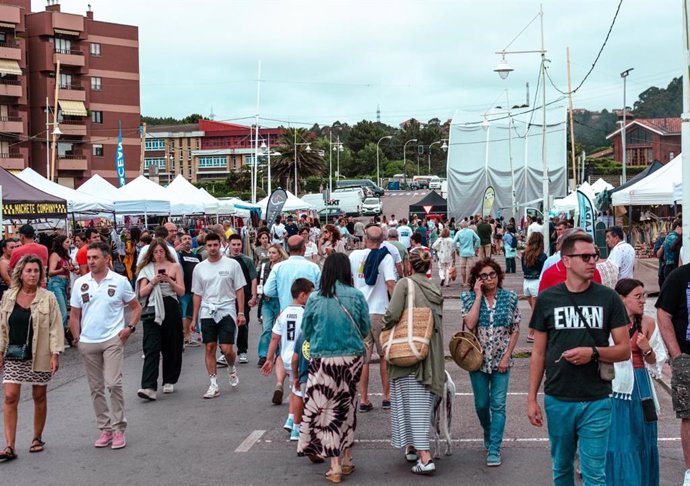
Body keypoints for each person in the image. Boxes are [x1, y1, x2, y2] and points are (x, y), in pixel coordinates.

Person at [527, 232, 631, 485]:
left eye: (594, 255)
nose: (592, 261)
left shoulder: (608, 298)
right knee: (561, 468)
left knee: (594, 473)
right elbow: (538, 352)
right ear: (566, 261)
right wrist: (531, 399)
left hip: (597, 398)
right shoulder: (548, 300)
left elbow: (624, 350)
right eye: (585, 256)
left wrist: (593, 352)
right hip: (559, 397)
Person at [298, 253, 370, 483]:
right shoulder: (356, 295)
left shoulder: (315, 298)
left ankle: (335, 465)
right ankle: (347, 458)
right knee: (347, 405)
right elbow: (365, 328)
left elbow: (306, 331)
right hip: (351, 358)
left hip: (323, 359)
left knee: (327, 410)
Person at [69, 242, 141, 450]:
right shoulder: (81, 283)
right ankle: (105, 429)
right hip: (88, 341)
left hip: (112, 339)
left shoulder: (119, 281)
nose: (90, 261)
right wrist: (77, 338)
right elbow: (74, 315)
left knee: (113, 383)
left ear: (106, 258)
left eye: (95, 257)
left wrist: (129, 328)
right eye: (88, 258)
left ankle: (119, 428)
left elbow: (136, 307)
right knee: (96, 388)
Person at [383, 248, 445, 475]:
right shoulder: (434, 288)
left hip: (407, 351)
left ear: (409, 264)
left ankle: (425, 457)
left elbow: (392, 314)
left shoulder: (404, 284)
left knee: (412, 406)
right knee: (418, 405)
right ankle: (412, 448)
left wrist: (384, 327)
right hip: (430, 352)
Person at [0, 255, 63, 461]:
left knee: (39, 396)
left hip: (39, 353)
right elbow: (2, 327)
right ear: (21, 272)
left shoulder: (48, 297)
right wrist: (0, 351)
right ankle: (10, 445)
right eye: (29, 271)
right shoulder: (8, 296)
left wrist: (55, 353)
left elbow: (55, 327)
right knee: (10, 397)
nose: (33, 275)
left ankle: (37, 438)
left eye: (36, 271)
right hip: (13, 353)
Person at [606, 278, 667, 486]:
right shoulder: (608, 321)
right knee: (619, 439)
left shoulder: (648, 323)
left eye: (644, 296)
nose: (642, 301)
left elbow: (657, 360)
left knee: (642, 438)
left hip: (641, 387)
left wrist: (646, 348)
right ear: (621, 299)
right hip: (616, 387)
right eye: (637, 297)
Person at [461, 258, 520, 467]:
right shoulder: (468, 297)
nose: (489, 279)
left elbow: (515, 328)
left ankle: (494, 447)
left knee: (498, 405)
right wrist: (478, 295)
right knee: (481, 404)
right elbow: (469, 323)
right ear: (478, 279)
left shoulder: (510, 297)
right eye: (484, 276)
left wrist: (507, 356)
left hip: (501, 360)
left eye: (492, 274)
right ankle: (488, 430)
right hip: (477, 360)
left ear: (498, 276)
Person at [190, 232, 246, 398]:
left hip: (227, 308)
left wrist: (241, 312)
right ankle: (213, 384)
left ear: (221, 245)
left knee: (227, 349)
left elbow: (239, 289)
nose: (213, 249)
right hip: (207, 310)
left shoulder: (232, 265)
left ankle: (231, 367)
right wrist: (194, 318)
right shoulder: (199, 268)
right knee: (209, 347)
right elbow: (197, 294)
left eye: (215, 245)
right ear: (205, 247)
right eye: (209, 246)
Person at [350, 225, 396, 412]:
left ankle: (364, 399)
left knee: (364, 358)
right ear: (382, 239)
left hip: (360, 311)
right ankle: (386, 397)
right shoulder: (385, 257)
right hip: (380, 310)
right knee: (384, 356)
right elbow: (391, 284)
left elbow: (350, 281)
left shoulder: (353, 256)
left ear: (365, 239)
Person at [261, 278, 315, 441]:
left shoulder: (283, 313)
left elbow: (274, 338)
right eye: (310, 294)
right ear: (303, 295)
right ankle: (297, 428)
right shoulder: (306, 313)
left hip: (285, 358)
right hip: (301, 358)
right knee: (300, 393)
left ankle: (291, 419)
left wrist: (269, 358)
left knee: (294, 388)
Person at [135, 239, 185, 401]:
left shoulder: (175, 267)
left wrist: (169, 281)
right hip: (152, 309)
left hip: (170, 306)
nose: (158, 255)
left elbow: (182, 291)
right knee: (151, 347)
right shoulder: (146, 270)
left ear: (166, 252)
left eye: (161, 251)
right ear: (151, 254)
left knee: (172, 344)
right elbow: (141, 293)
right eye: (155, 252)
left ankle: (169, 379)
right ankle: (149, 386)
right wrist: (153, 282)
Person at [655, 259, 690, 486]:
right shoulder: (679, 277)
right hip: (687, 357)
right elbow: (663, 314)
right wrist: (677, 356)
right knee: (689, 415)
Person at [264, 235, 321, 312]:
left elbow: (268, 291)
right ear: (304, 249)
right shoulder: (313, 267)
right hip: (308, 313)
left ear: (288, 249)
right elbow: (320, 291)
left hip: (286, 313)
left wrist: (282, 293)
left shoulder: (278, 267)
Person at [227, 234, 258, 364]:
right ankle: (225, 352)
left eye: (238, 244)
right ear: (228, 245)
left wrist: (253, 296)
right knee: (227, 325)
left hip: (243, 297)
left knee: (243, 325)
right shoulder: (224, 261)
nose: (236, 247)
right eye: (233, 244)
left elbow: (253, 279)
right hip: (227, 298)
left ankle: (242, 351)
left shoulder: (247, 260)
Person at [522, 232, 547, 343]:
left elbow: (523, 269)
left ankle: (534, 331)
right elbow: (544, 270)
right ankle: (531, 333)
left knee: (534, 309)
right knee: (535, 310)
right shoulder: (542, 256)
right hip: (536, 282)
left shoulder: (524, 254)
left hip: (526, 282)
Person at [46, 236, 73, 338]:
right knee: (63, 312)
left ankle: (63, 336)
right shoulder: (55, 255)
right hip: (56, 283)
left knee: (63, 311)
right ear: (60, 243)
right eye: (66, 242)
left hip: (64, 283)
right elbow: (50, 272)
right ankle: (57, 338)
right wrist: (62, 270)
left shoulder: (64, 256)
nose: (69, 244)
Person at [178, 233, 201, 347]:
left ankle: (188, 336)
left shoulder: (197, 256)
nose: (187, 241)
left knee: (190, 314)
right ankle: (182, 337)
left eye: (189, 239)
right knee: (182, 313)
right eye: (184, 239)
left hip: (195, 290)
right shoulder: (179, 255)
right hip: (184, 289)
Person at [453, 220, 481, 286]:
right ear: (468, 226)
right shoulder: (471, 231)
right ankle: (469, 281)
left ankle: (464, 282)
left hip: (462, 252)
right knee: (470, 267)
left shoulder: (459, 232)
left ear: (461, 226)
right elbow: (478, 239)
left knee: (463, 267)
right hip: (471, 252)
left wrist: (457, 249)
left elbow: (454, 241)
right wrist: (476, 247)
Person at [658, 219, 682, 284]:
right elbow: (677, 253)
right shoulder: (674, 238)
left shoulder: (670, 236)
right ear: (678, 227)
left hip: (669, 266)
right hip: (672, 266)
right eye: (683, 228)